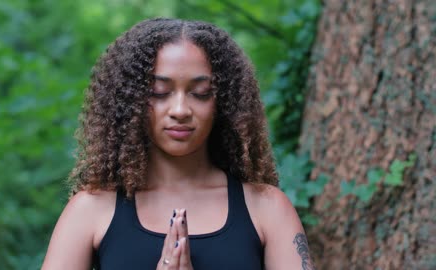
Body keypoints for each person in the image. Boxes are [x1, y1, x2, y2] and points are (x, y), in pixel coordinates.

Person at [42, 18, 315, 270]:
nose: (181, 109)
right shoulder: (90, 210)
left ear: (224, 102)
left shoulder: (267, 208)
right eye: (159, 93)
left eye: (201, 93)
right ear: (129, 101)